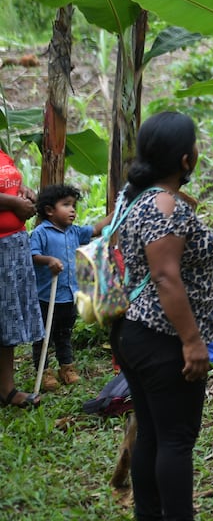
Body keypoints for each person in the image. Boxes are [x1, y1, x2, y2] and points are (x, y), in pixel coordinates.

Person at [111, 111, 213, 521]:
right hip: (164, 342)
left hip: (136, 336)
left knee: (154, 436)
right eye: (194, 145)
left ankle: (148, 514)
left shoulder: (138, 198)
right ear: (184, 160)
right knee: (175, 439)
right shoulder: (165, 207)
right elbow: (165, 276)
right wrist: (192, 342)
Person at [30, 183, 110, 391]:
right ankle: (44, 371)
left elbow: (96, 229)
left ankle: (67, 367)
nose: (73, 210)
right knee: (44, 335)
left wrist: (118, 210)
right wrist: (49, 260)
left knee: (64, 333)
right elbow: (32, 255)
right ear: (49, 210)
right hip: (46, 297)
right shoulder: (41, 232)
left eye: (74, 205)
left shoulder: (74, 232)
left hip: (68, 296)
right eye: (66, 205)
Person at [0, 147, 42, 409]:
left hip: (13, 244)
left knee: (7, 319)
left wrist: (23, 191)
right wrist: (13, 203)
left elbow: (9, 181)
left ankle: (6, 388)